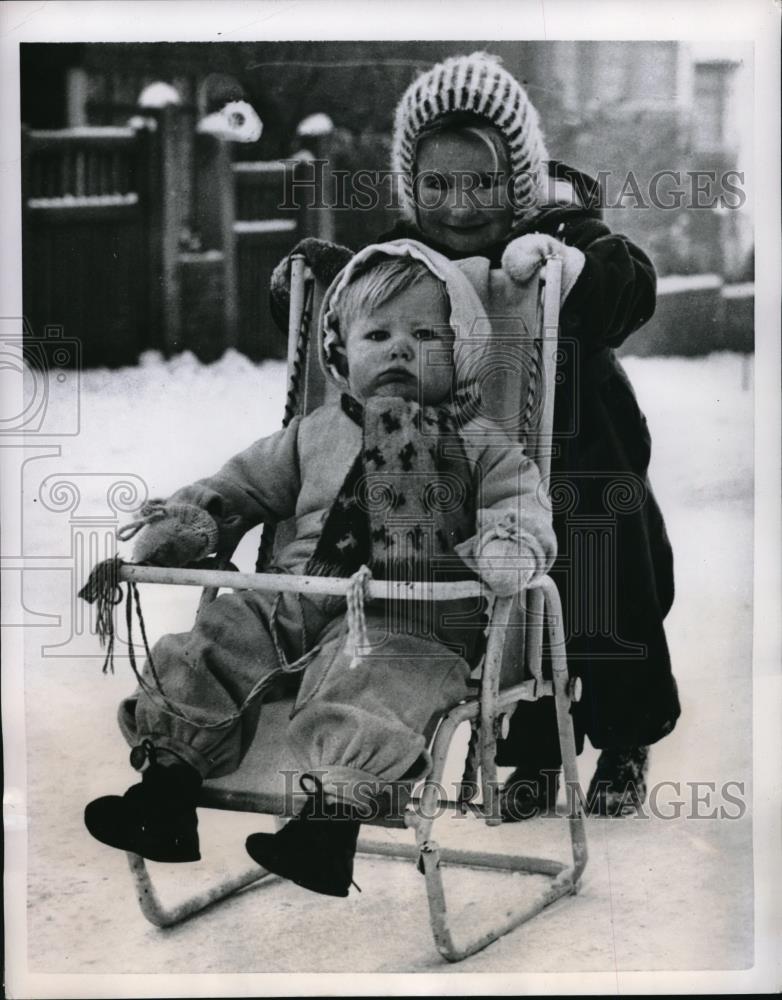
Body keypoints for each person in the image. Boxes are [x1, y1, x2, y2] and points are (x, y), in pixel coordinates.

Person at [270, 50, 680, 819]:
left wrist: (570, 264)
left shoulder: (557, 230)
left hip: (585, 456)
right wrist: (323, 274)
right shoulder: (410, 254)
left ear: (517, 181)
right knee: (504, 604)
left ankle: (626, 737)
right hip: (480, 464)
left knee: (604, 602)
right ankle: (529, 754)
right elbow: (362, 296)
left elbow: (629, 282)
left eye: (484, 183)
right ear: (411, 186)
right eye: (437, 185)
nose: (460, 206)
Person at [84, 240, 557, 897]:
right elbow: (239, 487)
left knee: (380, 676)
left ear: (464, 351)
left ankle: (327, 830)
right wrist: (192, 523)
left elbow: (520, 506)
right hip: (293, 601)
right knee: (216, 638)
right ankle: (166, 793)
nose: (399, 349)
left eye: (425, 334)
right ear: (340, 352)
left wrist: (509, 543)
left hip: (409, 614)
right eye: (378, 334)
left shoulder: (481, 443)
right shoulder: (315, 433)